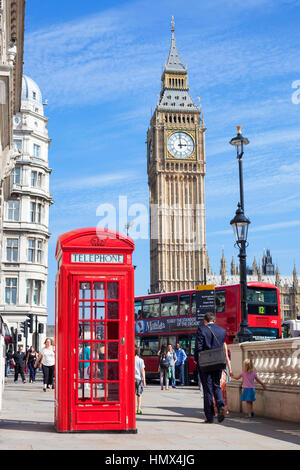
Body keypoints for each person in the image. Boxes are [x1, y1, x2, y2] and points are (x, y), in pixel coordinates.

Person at [194, 312, 232, 424]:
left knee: (207, 390)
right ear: (214, 320)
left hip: (205, 363)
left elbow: (198, 347)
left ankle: (210, 416)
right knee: (216, 385)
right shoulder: (222, 331)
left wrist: (197, 359)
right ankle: (220, 405)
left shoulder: (202, 330)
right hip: (218, 362)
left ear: (205, 321)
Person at [135, 347, 146, 414]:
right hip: (138, 379)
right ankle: (138, 409)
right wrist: (144, 380)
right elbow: (142, 371)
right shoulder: (141, 360)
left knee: (132, 394)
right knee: (139, 394)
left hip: (131, 378)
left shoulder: (130, 359)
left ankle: (132, 408)